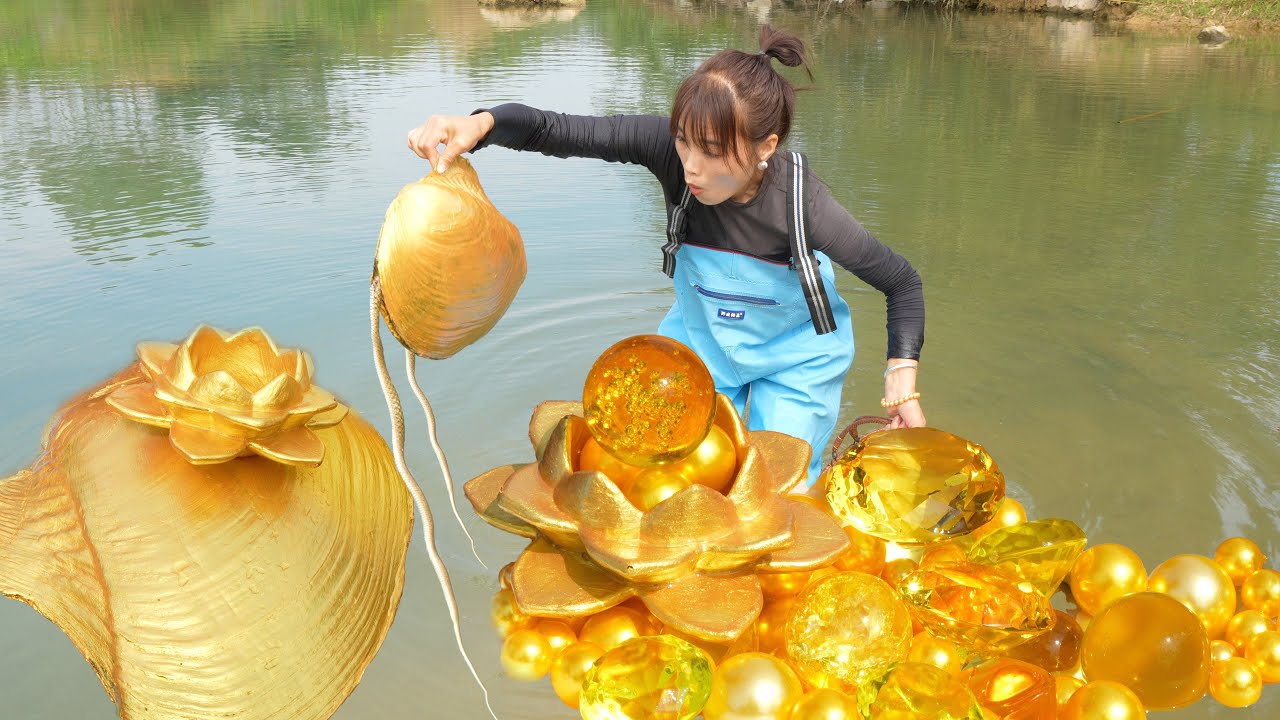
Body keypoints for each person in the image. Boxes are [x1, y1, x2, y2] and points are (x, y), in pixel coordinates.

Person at [407, 26, 925, 483]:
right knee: (648, 456)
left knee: (772, 488)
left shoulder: (805, 206)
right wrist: (480, 126)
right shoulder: (670, 155)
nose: (692, 167)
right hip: (703, 338)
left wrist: (901, 385)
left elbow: (901, 281)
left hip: (794, 358)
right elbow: (556, 129)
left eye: (713, 152)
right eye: (684, 142)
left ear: (765, 147)